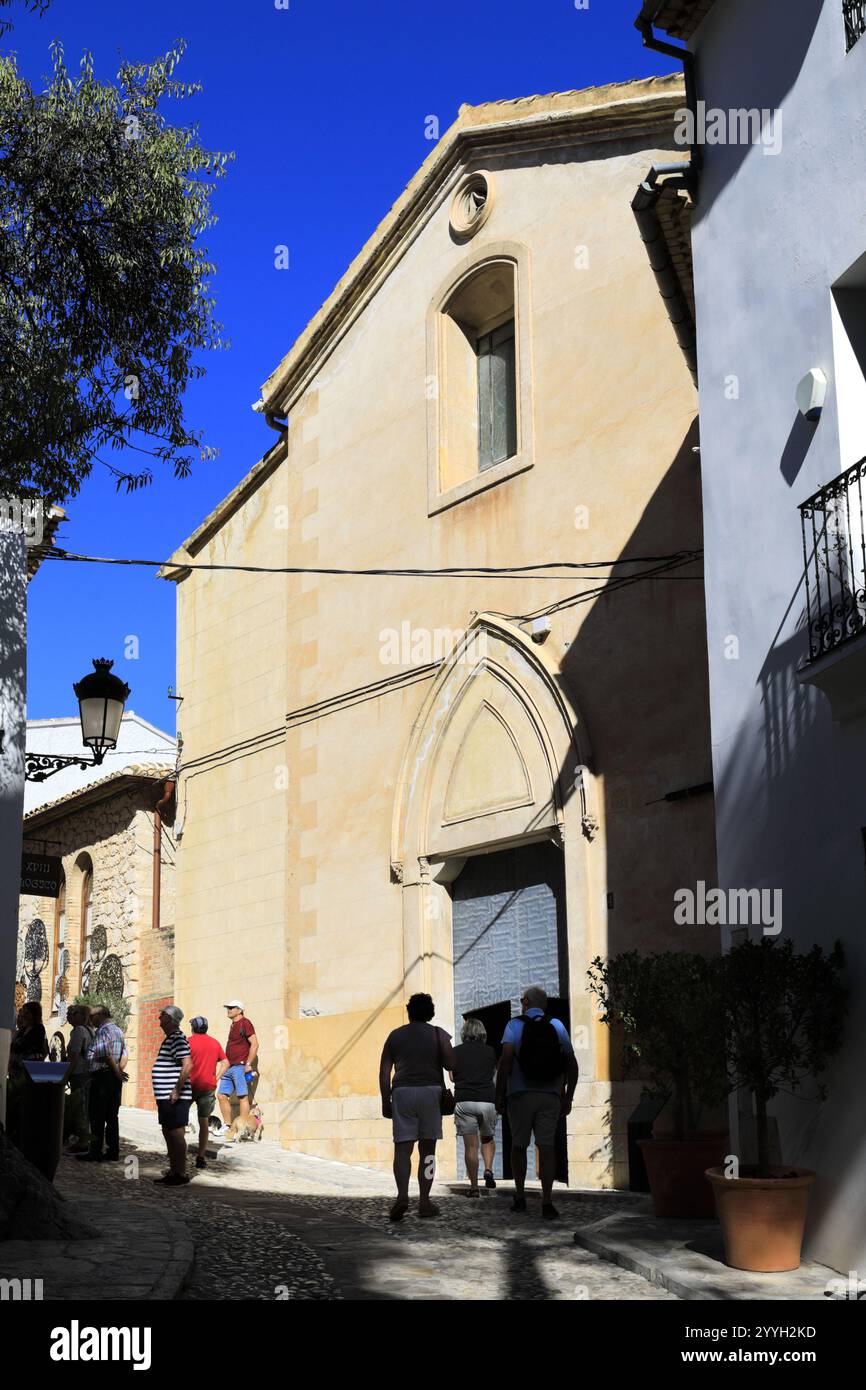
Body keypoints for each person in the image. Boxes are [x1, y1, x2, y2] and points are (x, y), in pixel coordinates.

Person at [495, 986, 578, 1220]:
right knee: (547, 1147)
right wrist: (568, 1096)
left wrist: (498, 1096)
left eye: (522, 1000)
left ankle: (520, 1198)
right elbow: (572, 1064)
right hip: (550, 1095)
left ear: (527, 1002)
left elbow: (505, 1062)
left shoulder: (514, 1025)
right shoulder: (557, 1025)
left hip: (520, 1095)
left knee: (519, 1146)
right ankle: (547, 1202)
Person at [379, 992, 455, 1223]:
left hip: (402, 1093)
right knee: (428, 1151)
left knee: (402, 1149)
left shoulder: (395, 1036)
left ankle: (402, 1195)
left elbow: (384, 1072)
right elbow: (452, 1065)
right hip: (430, 1093)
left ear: (409, 1012)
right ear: (430, 1012)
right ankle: (424, 1200)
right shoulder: (438, 1034)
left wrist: (385, 1100)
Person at [451, 1017, 498, 1197]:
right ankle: (488, 1170)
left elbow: (453, 1077)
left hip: (464, 1100)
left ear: (465, 1033)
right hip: (486, 1100)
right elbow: (494, 1074)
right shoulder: (490, 1052)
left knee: (470, 1146)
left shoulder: (456, 1052)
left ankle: (474, 1187)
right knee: (487, 1138)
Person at [77, 1004, 126, 1163]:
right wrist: (118, 1070)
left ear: (100, 1015)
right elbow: (125, 1054)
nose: (90, 1019)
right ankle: (113, 1151)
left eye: (92, 1016)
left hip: (102, 1077)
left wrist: (116, 1070)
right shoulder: (118, 1031)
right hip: (113, 1077)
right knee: (112, 1116)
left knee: (97, 1115)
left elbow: (106, 1054)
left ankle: (95, 1151)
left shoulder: (104, 1031)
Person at [152, 1004, 193, 1186]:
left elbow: (188, 1064)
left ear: (169, 1019)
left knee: (176, 1133)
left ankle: (181, 1173)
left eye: (162, 1016)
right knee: (168, 1131)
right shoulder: (171, 1038)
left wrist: (177, 1089)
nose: (159, 1019)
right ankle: (173, 1170)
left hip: (174, 1095)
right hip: (166, 1095)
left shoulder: (177, 1038)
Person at [6, 1001, 49, 1145]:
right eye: (22, 1011)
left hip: (29, 1069)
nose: (23, 1014)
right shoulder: (22, 1029)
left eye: (26, 1011)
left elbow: (21, 1045)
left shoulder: (38, 1029)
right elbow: (13, 1046)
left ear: (34, 1014)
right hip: (17, 1069)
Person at [187, 1015, 227, 1169]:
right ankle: (201, 1157)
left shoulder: (188, 1042)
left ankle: (177, 1153)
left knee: (178, 1122)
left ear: (193, 1028)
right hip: (208, 1087)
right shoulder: (214, 1043)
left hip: (189, 1086)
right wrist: (216, 1078)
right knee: (204, 1122)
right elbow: (226, 1062)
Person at [217, 1000, 258, 1137]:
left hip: (240, 1066)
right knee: (221, 1095)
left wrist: (248, 1064)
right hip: (229, 1066)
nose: (228, 1009)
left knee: (242, 1097)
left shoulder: (245, 1023)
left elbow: (255, 1044)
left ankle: (243, 1128)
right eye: (227, 1007)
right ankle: (228, 1126)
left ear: (239, 1010)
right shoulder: (233, 1024)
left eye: (231, 1007)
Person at [63, 1004, 95, 1153]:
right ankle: (84, 1139)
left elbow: (74, 1056)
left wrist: (66, 1075)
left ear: (83, 1016)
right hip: (88, 1073)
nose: (70, 1016)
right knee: (86, 1106)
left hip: (79, 1073)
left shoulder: (79, 1031)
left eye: (73, 1013)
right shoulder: (90, 1031)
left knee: (80, 1107)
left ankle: (82, 1142)